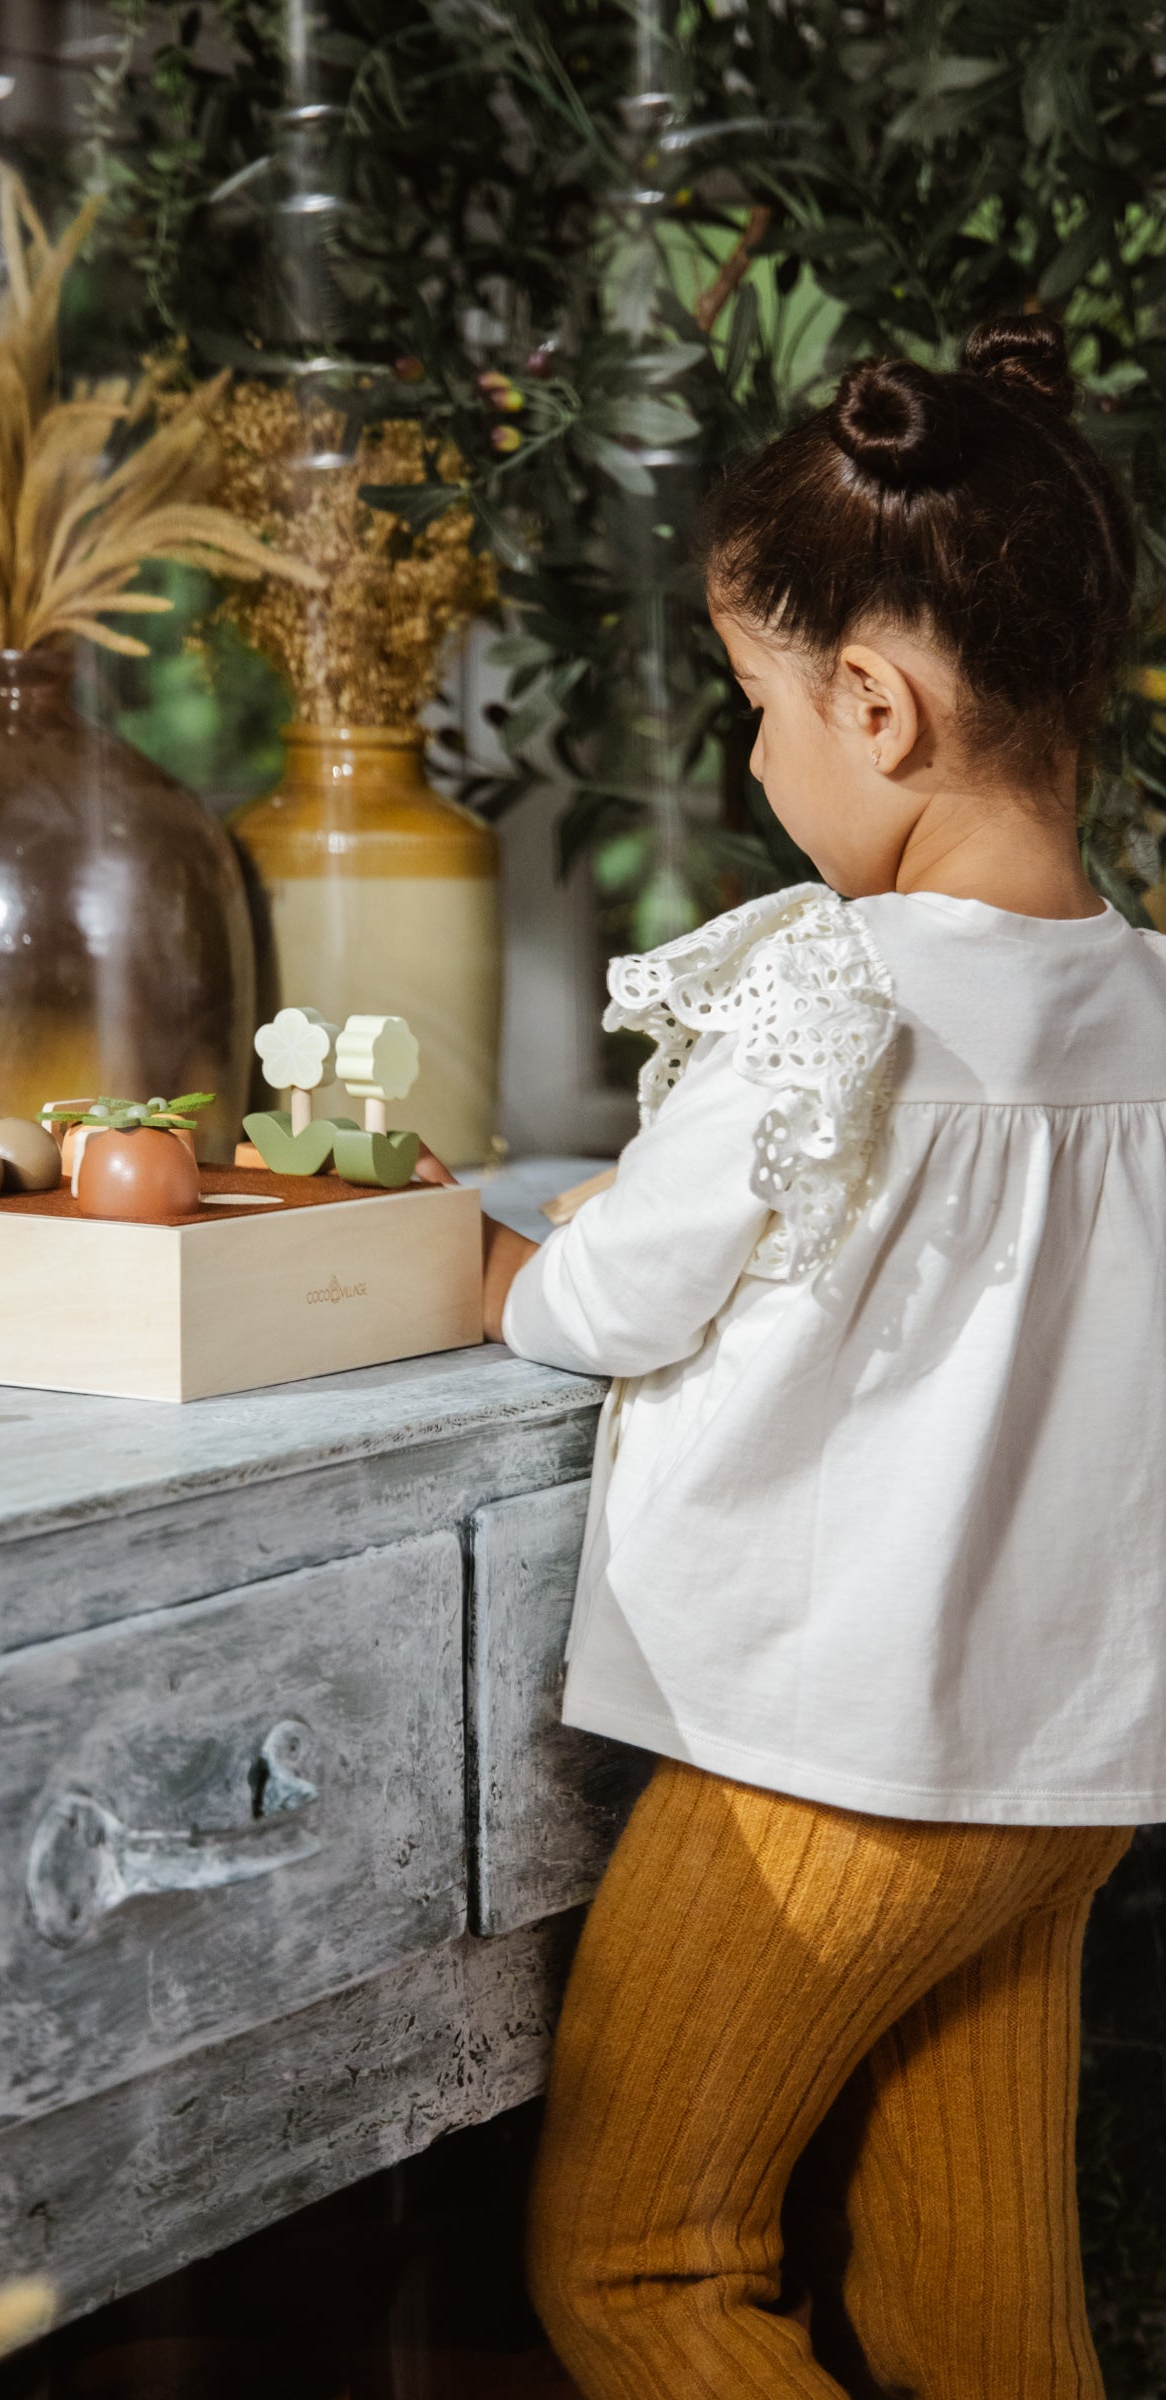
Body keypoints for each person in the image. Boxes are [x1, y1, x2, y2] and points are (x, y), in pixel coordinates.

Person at [483, 315, 1160, 2398]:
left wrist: (486, 1267)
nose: (752, 757)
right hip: (1058, 1775)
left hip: (822, 1769)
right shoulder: (1146, 1011)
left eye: (752, 704)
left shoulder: (819, 995)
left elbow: (610, 1302)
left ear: (871, 704)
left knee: (643, 2266)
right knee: (978, 2318)